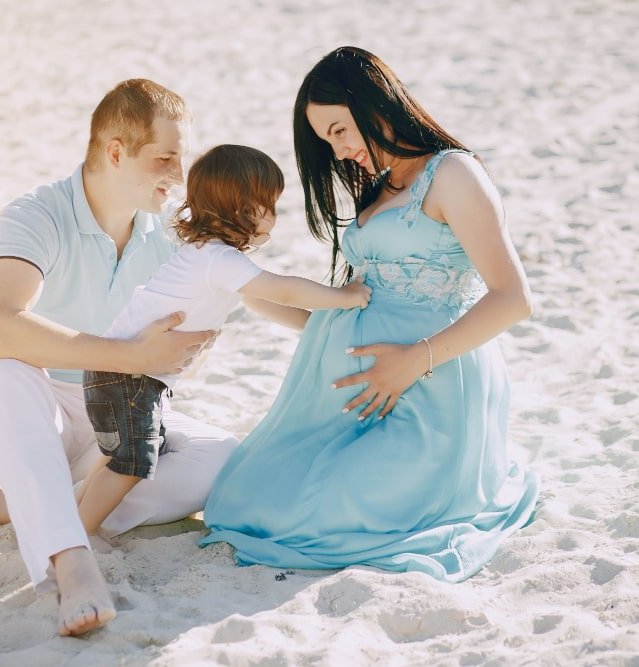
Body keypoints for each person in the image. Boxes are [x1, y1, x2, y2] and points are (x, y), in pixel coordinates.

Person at [200, 46, 540, 581]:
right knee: (246, 496)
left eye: (339, 130)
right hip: (357, 399)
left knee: (326, 513)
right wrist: (259, 297)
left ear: (373, 104)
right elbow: (357, 304)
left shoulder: (452, 174)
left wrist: (413, 361)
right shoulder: (382, 186)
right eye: (326, 140)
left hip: (431, 390)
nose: (338, 152)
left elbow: (512, 298)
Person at [0, 79, 241, 636]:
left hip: (110, 421)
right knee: (7, 374)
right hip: (27, 414)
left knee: (221, 456)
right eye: (165, 158)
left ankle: (16, 507)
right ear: (115, 151)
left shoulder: (166, 233)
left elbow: (225, 298)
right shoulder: (40, 213)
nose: (178, 176)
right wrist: (128, 354)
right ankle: (71, 560)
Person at [76, 144, 371, 535]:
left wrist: (320, 327)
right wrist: (344, 297)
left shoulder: (209, 257)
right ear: (243, 209)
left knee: (119, 456)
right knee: (129, 464)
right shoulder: (218, 260)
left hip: (124, 374)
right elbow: (281, 290)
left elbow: (265, 303)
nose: (275, 216)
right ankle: (79, 530)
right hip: (129, 376)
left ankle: (71, 512)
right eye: (271, 205)